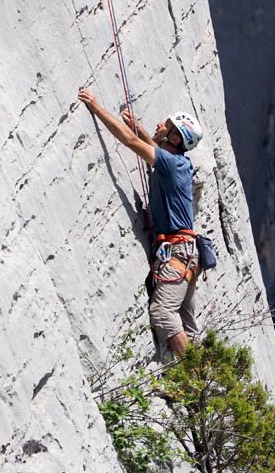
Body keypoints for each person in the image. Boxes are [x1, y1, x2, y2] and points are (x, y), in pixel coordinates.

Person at [78, 88, 203, 357]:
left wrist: (97, 109)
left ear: (175, 136)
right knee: (187, 324)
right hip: (187, 254)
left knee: (162, 311)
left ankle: (195, 382)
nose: (159, 124)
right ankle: (207, 383)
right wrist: (141, 128)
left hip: (178, 254)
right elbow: (155, 148)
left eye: (166, 125)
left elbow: (133, 144)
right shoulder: (180, 162)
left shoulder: (171, 163)